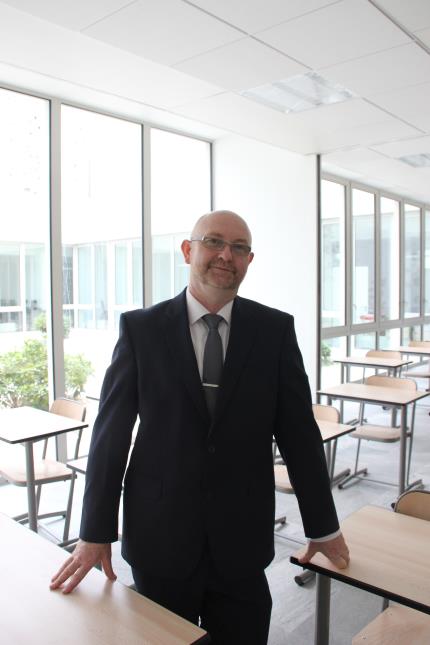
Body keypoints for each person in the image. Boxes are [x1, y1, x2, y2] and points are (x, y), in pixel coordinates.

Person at [51, 210, 349, 644]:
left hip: (242, 543)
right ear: (189, 250)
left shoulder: (275, 331)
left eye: (239, 248)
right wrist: (95, 532)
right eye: (214, 242)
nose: (226, 255)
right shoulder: (141, 329)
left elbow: (299, 436)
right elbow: (110, 435)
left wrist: (322, 526)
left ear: (249, 261)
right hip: (159, 540)